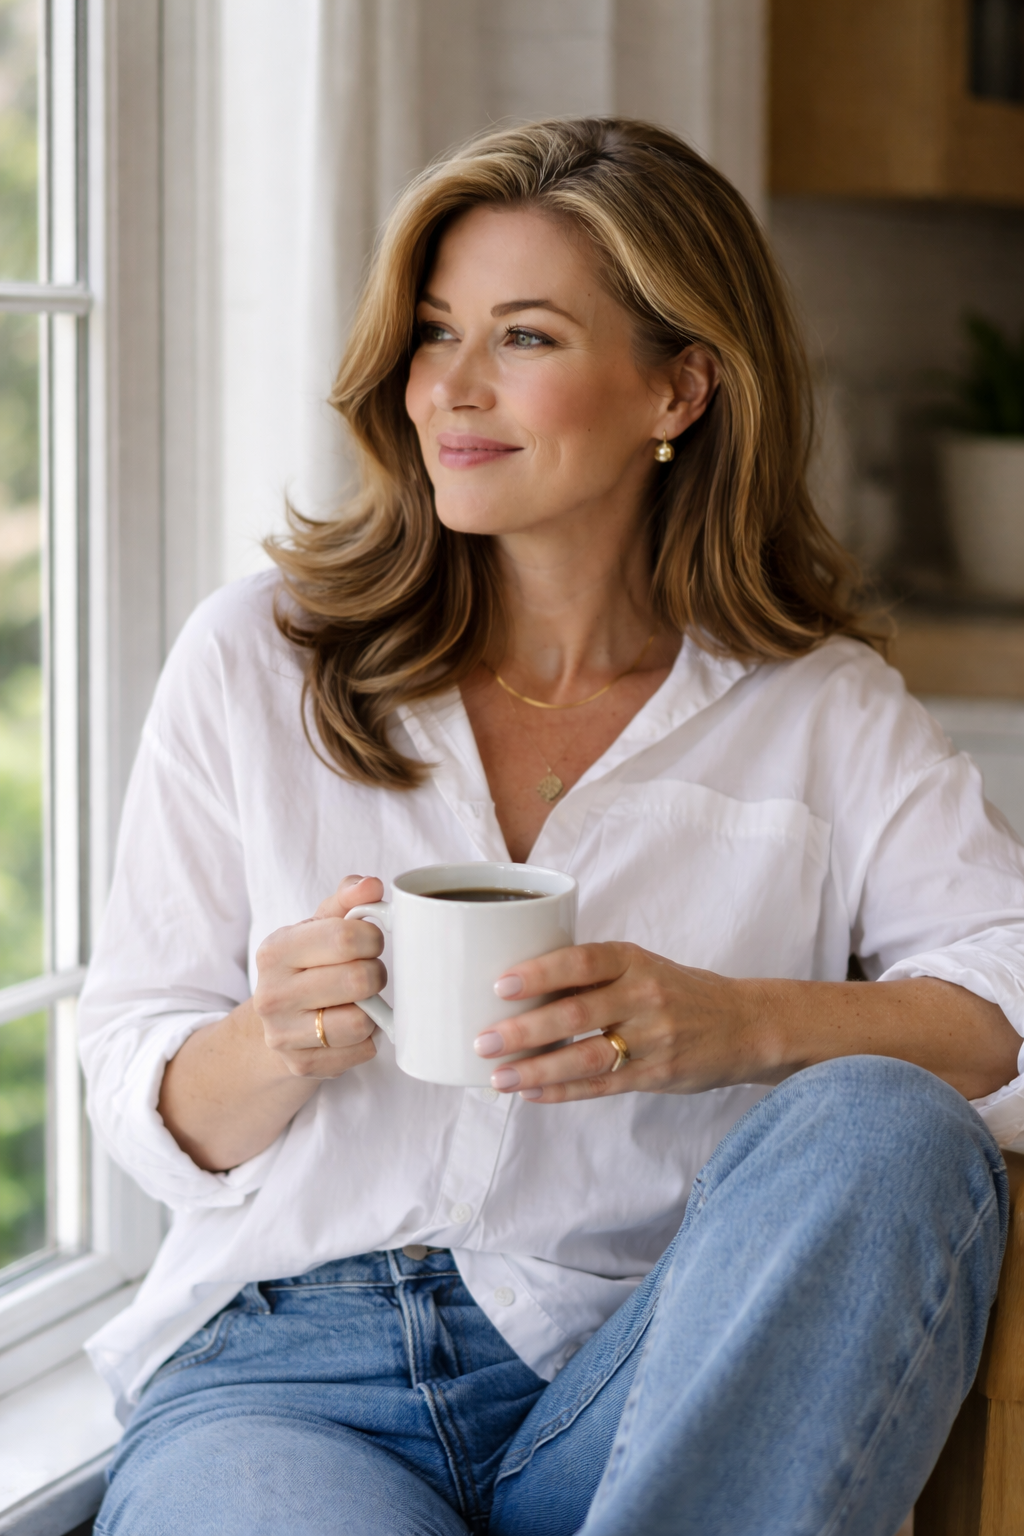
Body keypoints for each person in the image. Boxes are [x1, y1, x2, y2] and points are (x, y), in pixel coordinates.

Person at [82, 118, 1024, 1536]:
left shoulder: (822, 710)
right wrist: (268, 1040)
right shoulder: (259, 658)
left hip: (642, 1383)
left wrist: (740, 1024)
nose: (449, 387)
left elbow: (1012, 992)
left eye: (523, 338)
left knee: (885, 1125)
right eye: (436, 331)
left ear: (681, 386)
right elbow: (134, 1086)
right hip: (287, 1382)